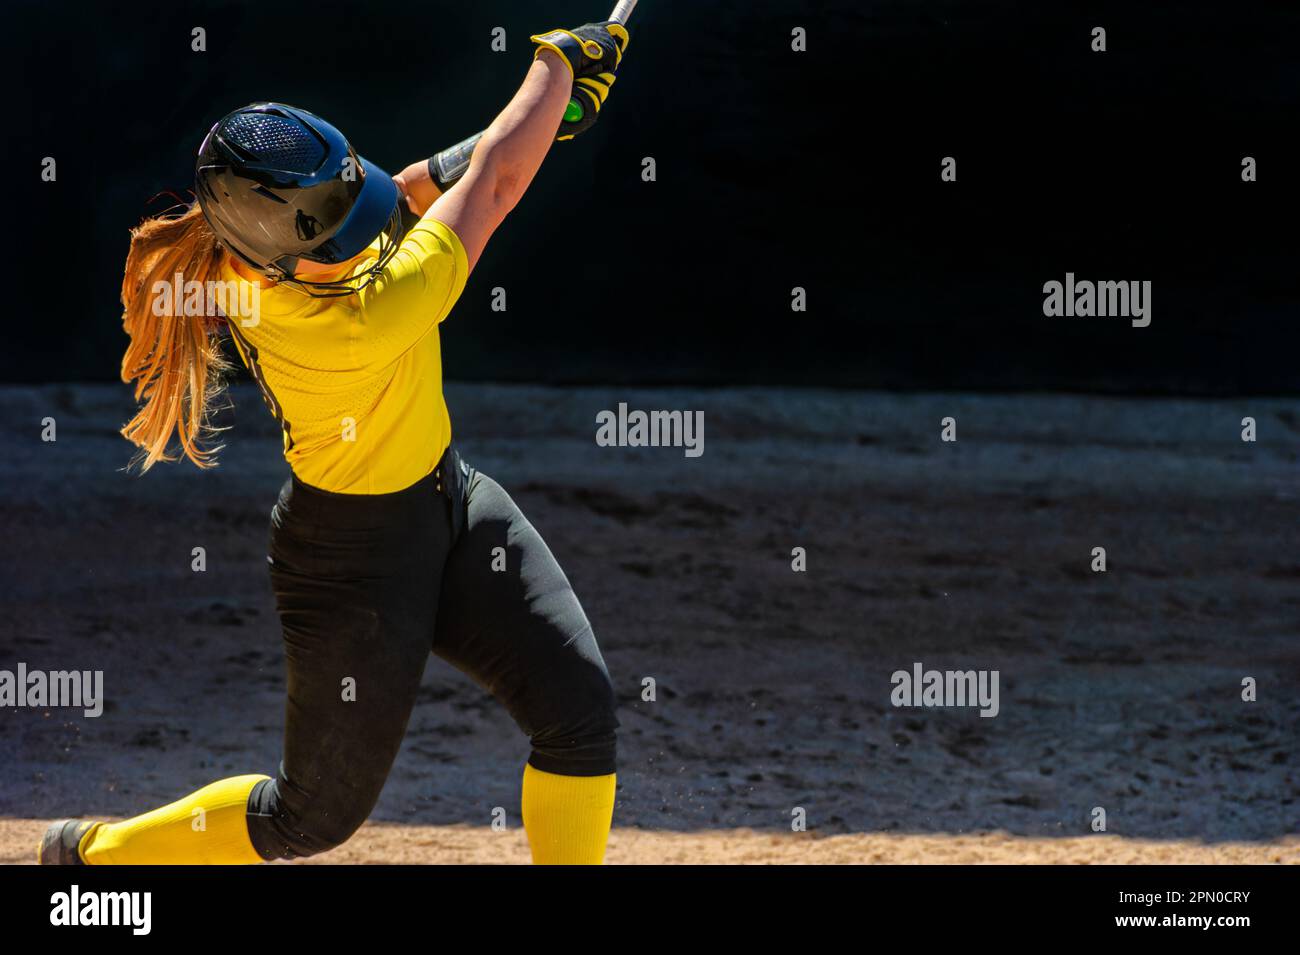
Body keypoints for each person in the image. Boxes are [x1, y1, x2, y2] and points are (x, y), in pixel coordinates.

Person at [38, 20, 630, 866]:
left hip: (450, 502)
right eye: (336, 238)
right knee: (306, 817)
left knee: (580, 715)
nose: (361, 238)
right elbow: (493, 184)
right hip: (350, 561)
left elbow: (412, 189)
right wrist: (556, 65)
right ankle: (90, 853)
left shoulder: (253, 252)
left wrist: (541, 117)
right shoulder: (361, 318)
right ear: (282, 256)